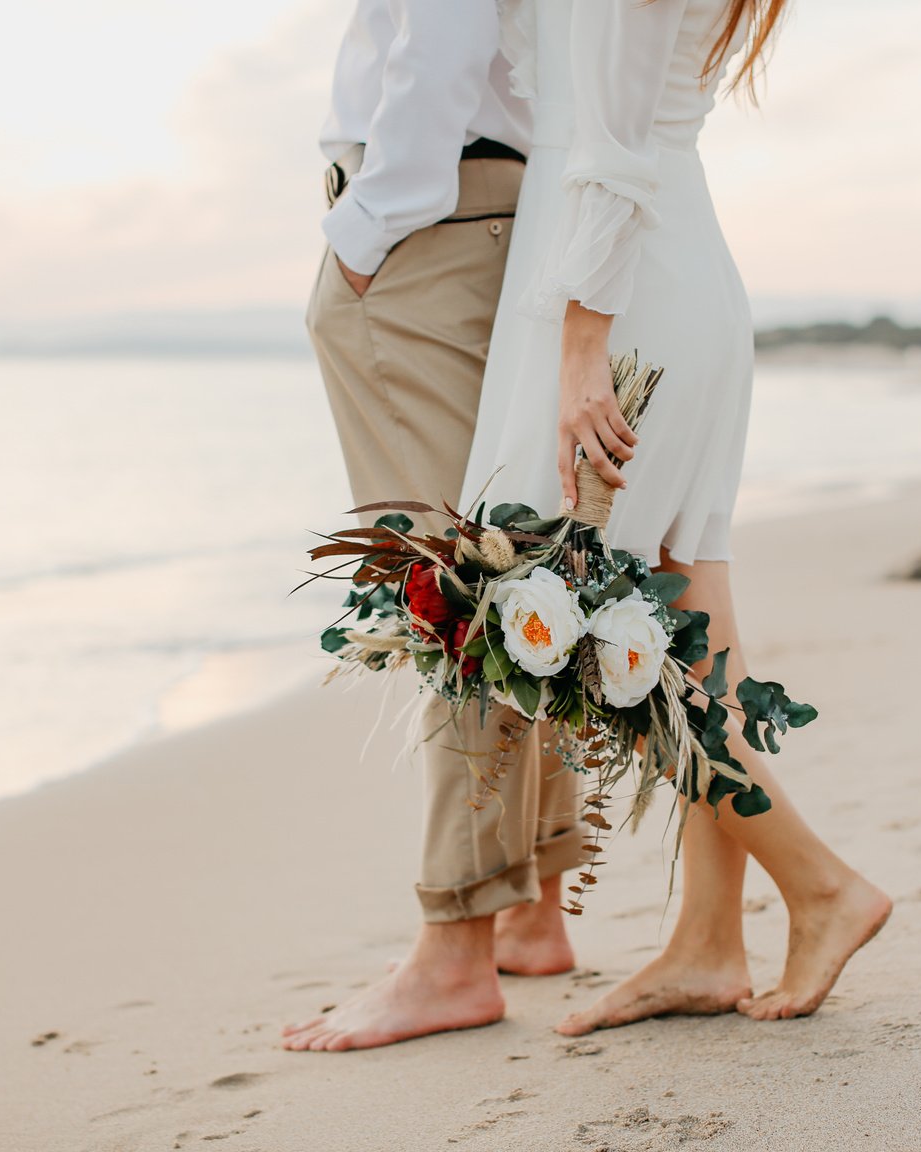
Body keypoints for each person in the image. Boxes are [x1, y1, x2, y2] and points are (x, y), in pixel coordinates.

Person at [461, 0, 892, 1034]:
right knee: (691, 627)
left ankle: (820, 883)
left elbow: (608, 152)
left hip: (620, 294)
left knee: (610, 632)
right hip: (648, 267)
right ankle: (708, 943)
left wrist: (578, 353)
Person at [284, 0, 585, 1053]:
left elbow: (440, 34)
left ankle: (457, 944)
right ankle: (532, 906)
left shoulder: (399, 211)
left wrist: (369, 223)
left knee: (454, 590)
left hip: (428, 214)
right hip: (506, 200)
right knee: (515, 564)